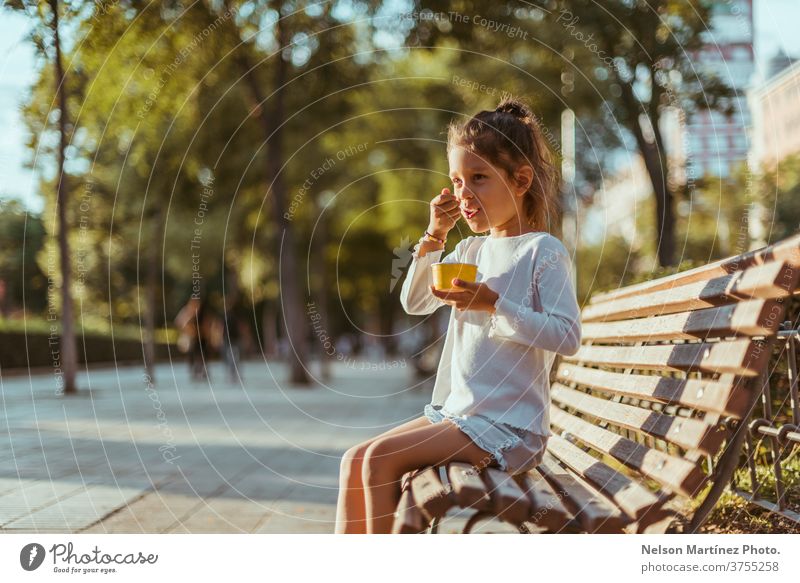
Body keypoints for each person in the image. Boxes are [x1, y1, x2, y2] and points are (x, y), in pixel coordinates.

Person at [335, 97, 582, 534]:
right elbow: (415, 301)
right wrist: (434, 235)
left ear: (521, 179)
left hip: (510, 427)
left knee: (379, 460)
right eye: (456, 180)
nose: (464, 194)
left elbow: (567, 336)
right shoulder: (470, 249)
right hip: (461, 416)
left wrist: (495, 305)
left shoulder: (542, 252)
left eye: (479, 179)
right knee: (355, 459)